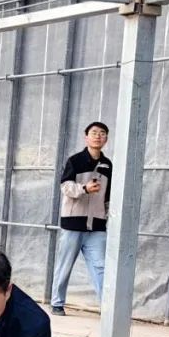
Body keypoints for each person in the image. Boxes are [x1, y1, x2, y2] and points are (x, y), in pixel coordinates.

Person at [52, 122, 112, 316]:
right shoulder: (75, 161)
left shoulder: (108, 165)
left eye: (102, 133)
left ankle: (107, 309)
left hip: (97, 226)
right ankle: (57, 303)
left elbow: (108, 196)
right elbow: (65, 187)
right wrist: (84, 188)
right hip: (73, 224)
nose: (98, 136)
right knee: (65, 265)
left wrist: (106, 215)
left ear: (106, 139)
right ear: (86, 137)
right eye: (94, 133)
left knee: (101, 266)